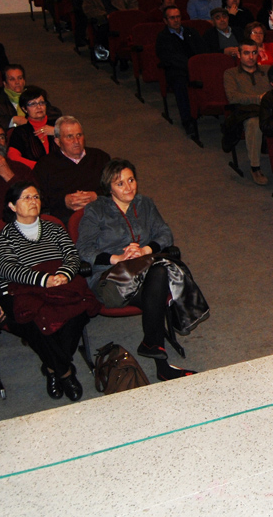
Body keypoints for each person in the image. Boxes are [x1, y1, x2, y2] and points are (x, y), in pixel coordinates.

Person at [76, 160, 197, 381]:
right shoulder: (96, 210)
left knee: (157, 280)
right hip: (110, 279)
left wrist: (144, 250)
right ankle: (159, 357)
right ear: (109, 188)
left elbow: (165, 234)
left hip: (144, 272)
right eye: (120, 183)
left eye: (131, 180)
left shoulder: (145, 204)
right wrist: (118, 258)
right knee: (158, 285)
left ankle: (156, 352)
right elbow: (83, 250)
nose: (129, 187)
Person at [0, 182, 92, 401]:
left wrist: (64, 275)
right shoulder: (3, 237)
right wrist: (44, 280)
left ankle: (51, 368)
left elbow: (72, 256)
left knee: (77, 311)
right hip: (23, 291)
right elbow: (7, 269)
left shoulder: (54, 228)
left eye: (36, 197)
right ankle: (65, 371)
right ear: (12, 206)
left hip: (60, 284)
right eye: (26, 198)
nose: (33, 201)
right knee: (34, 321)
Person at [33, 116, 110, 225]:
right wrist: (64, 200)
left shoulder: (101, 157)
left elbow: (115, 189)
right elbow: (39, 198)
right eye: (69, 137)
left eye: (79, 135)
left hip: (101, 214)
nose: (76, 141)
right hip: (66, 219)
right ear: (58, 141)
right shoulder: (45, 165)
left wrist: (96, 196)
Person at [223, 41, 271, 185]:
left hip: (268, 110)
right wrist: (258, 98)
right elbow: (232, 97)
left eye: (254, 52)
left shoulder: (267, 70)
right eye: (246, 53)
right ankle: (255, 167)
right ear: (239, 54)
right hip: (246, 113)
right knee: (254, 123)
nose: (251, 57)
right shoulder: (230, 73)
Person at [155, 6, 207, 139]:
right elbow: (170, 58)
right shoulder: (163, 37)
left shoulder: (191, 32)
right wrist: (190, 66)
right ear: (165, 20)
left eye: (178, 17)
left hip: (197, 68)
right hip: (178, 71)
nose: (176, 20)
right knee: (181, 84)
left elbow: (202, 49)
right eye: (172, 18)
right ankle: (187, 121)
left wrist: (197, 65)